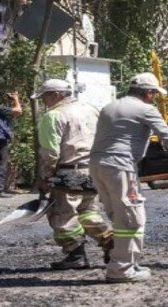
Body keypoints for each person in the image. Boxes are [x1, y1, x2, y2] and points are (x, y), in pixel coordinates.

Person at [89, 73, 168, 283]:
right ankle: (122, 269)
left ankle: (127, 262)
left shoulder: (109, 107)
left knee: (118, 216)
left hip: (98, 166)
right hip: (121, 166)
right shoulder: (145, 109)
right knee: (131, 218)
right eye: (154, 94)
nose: (154, 98)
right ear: (148, 92)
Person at [32, 79, 113, 270]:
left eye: (45, 97)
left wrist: (45, 177)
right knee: (88, 210)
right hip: (93, 169)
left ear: (56, 95)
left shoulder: (53, 116)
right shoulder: (90, 109)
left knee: (63, 214)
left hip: (69, 172)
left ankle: (74, 253)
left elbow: (50, 152)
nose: (44, 101)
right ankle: (109, 239)